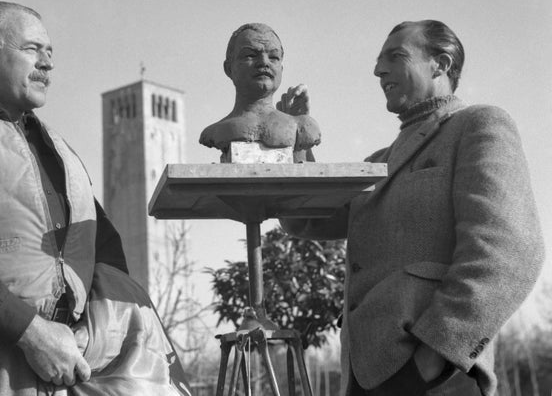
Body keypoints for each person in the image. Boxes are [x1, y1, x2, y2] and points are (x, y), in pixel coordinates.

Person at [0, 1, 190, 396]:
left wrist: (90, 337)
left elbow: (105, 255)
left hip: (68, 362)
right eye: (32, 49)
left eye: (51, 53)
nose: (47, 64)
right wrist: (31, 332)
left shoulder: (60, 150)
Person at [280, 20, 544, 396]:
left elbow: (509, 251)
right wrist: (297, 142)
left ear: (441, 64)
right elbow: (305, 218)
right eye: (378, 60)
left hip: (436, 378)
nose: (378, 70)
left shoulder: (479, 125)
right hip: (364, 374)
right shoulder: (378, 162)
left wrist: (436, 355)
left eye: (395, 56)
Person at [199, 22, 321, 161]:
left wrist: (301, 141)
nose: (264, 62)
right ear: (229, 68)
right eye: (250, 55)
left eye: (274, 57)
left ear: (281, 69)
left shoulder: (301, 125)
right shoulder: (215, 131)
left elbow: (305, 177)